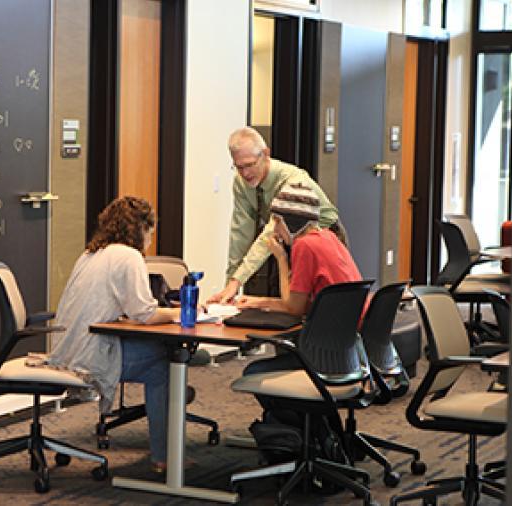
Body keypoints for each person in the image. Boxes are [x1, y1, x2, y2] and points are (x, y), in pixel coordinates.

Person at [48, 196, 179, 472]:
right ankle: (165, 457)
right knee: (163, 364)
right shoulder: (129, 256)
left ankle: (164, 455)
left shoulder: (91, 253)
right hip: (90, 356)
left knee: (159, 361)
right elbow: (145, 314)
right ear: (140, 228)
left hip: (67, 350)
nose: (151, 239)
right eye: (150, 232)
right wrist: (185, 313)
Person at [236, 182, 365, 411]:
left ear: (291, 222)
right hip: (348, 352)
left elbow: (293, 307)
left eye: (277, 221)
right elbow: (299, 303)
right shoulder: (328, 238)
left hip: (324, 357)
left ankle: (293, 433)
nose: (275, 230)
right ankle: (308, 431)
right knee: (285, 349)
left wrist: (281, 259)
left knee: (254, 373)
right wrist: (260, 301)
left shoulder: (305, 246)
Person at [208, 127, 344, 305]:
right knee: (280, 299)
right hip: (285, 239)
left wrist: (237, 281)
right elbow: (240, 233)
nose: (245, 174)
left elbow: (271, 231)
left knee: (309, 306)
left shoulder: (293, 180)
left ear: (265, 154)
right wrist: (230, 286)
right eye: (239, 167)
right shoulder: (241, 182)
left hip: (321, 237)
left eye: (249, 165)